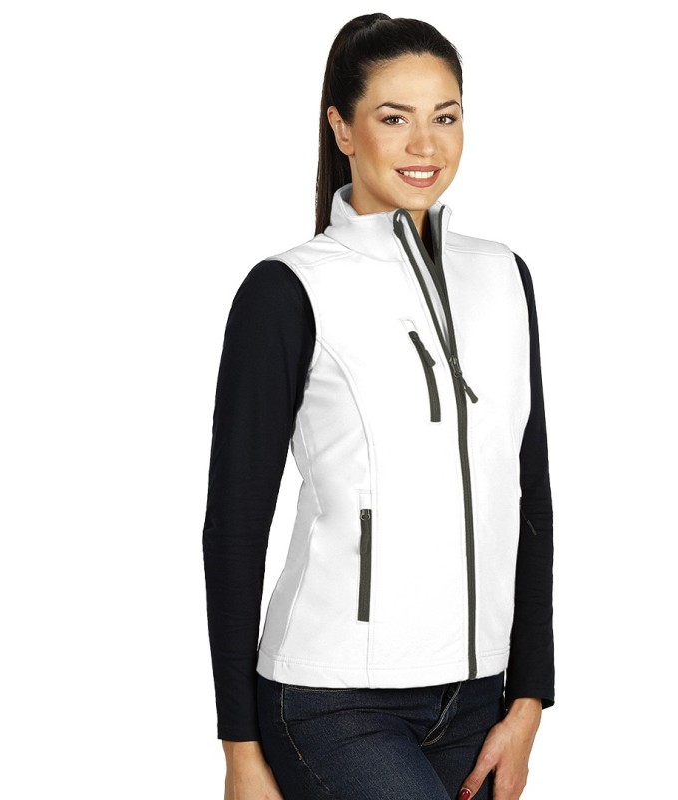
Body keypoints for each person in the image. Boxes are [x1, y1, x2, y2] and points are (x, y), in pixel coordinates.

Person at [202, 13, 555, 800]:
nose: (425, 145)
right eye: (394, 119)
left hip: (478, 701)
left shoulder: (504, 278)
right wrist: (240, 751)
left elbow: (527, 494)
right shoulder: (288, 289)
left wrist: (529, 700)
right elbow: (234, 526)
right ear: (343, 128)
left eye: (446, 117)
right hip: (331, 700)